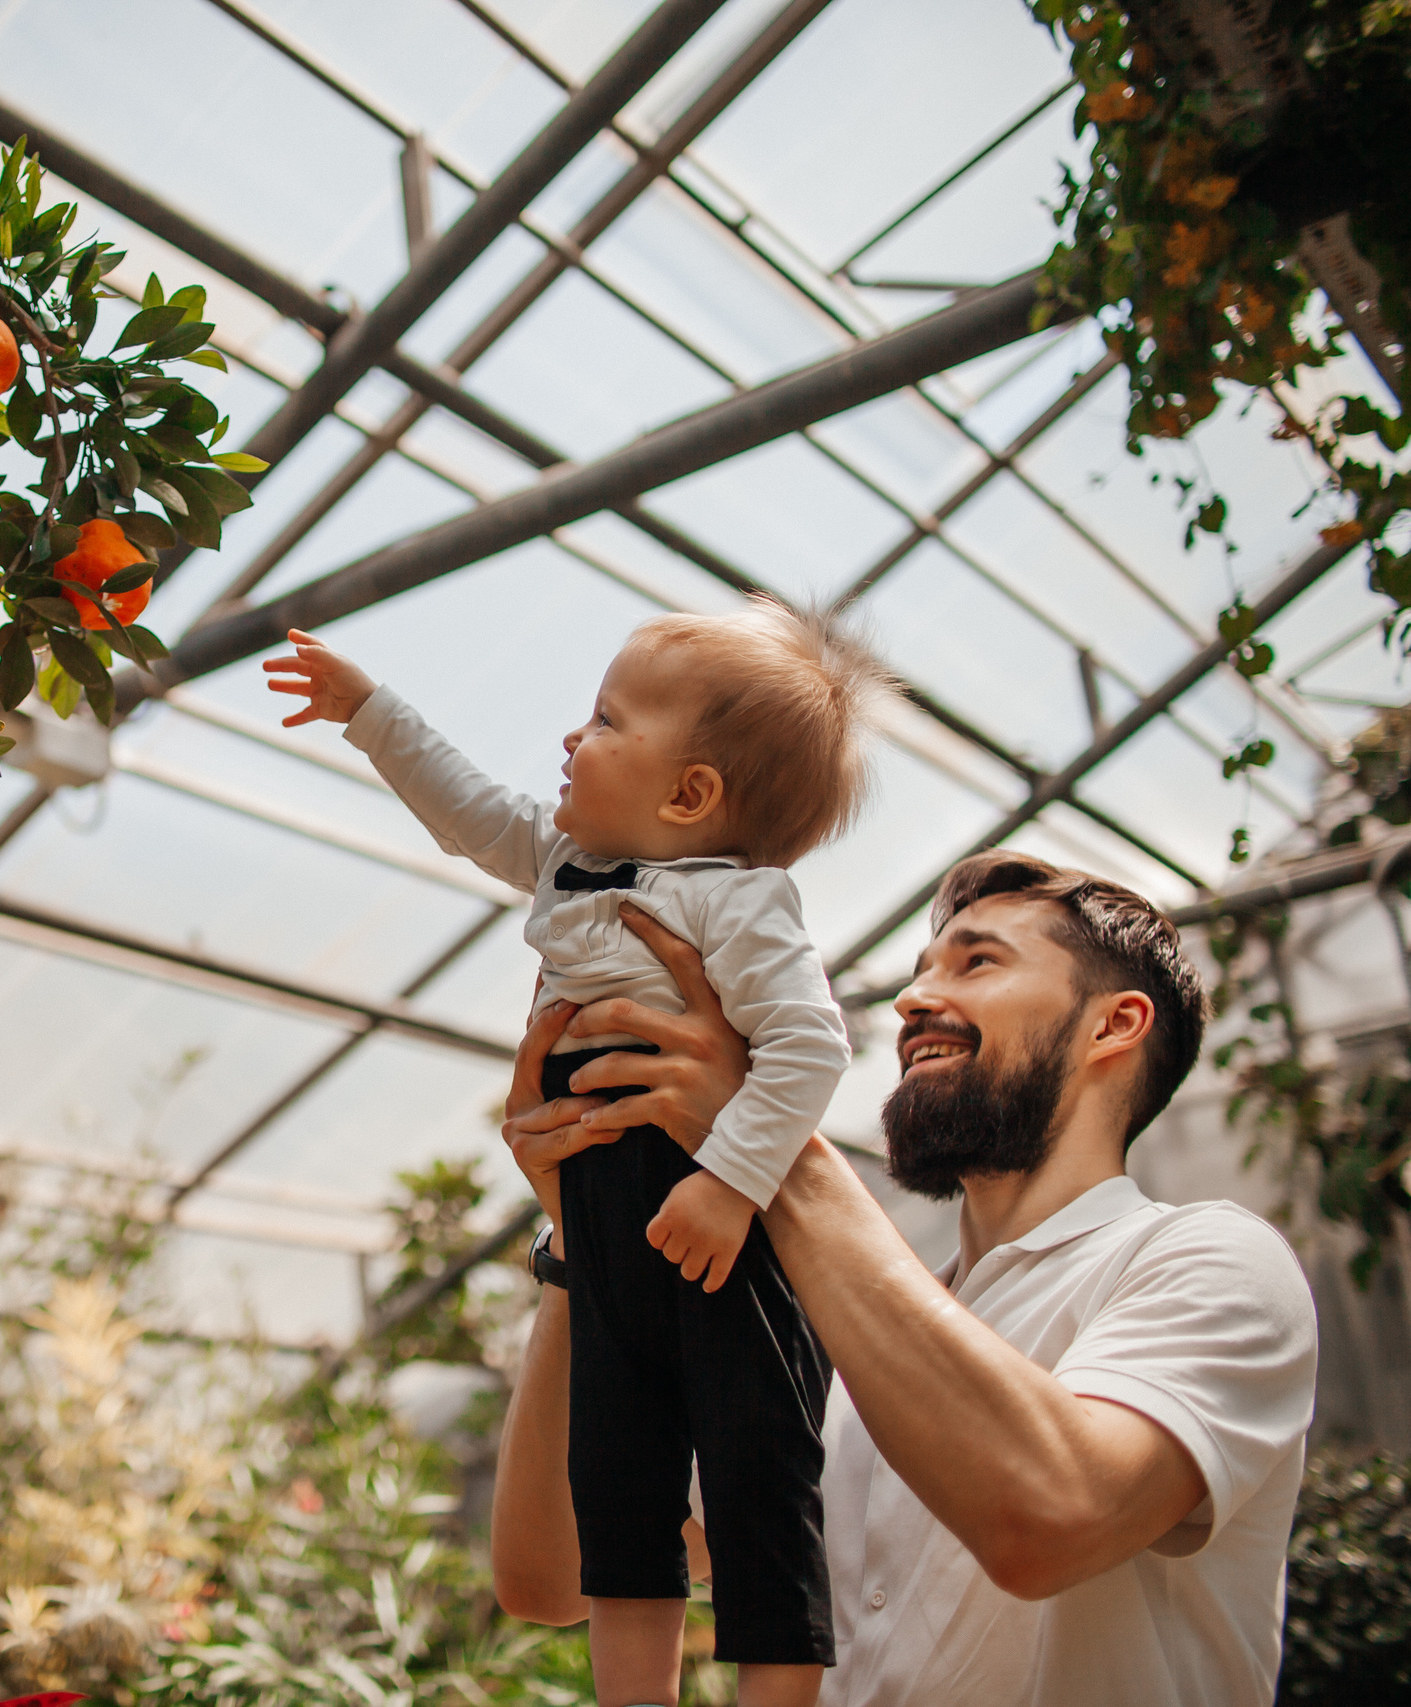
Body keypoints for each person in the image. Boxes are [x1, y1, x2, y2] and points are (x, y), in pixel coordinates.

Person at [488, 853, 1320, 1707]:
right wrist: (588, 1236)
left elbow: (1050, 1518)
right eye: (921, 969)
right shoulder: (835, 1334)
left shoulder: (1212, 1260)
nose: (912, 998)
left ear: (1114, 1024)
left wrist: (758, 1133)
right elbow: (551, 1575)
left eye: (977, 960)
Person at [265, 604, 897, 1707]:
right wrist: (368, 711)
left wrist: (728, 1182)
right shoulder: (565, 861)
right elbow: (465, 809)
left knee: (757, 1483)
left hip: (722, 1240)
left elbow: (809, 1045)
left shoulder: (739, 903)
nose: (571, 736)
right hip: (602, 1229)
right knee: (616, 1488)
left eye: (606, 720)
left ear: (689, 795)